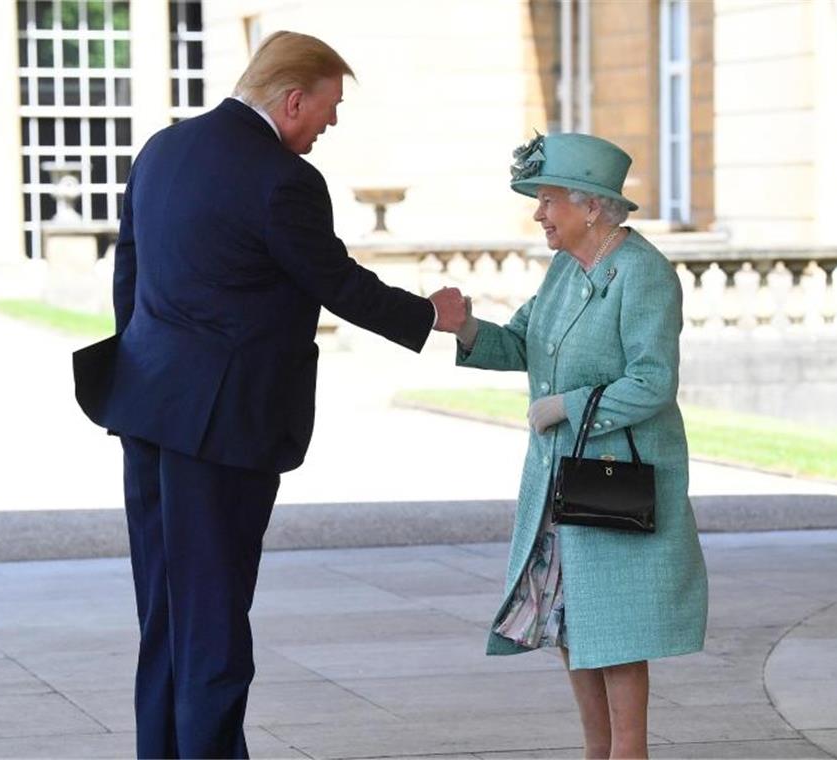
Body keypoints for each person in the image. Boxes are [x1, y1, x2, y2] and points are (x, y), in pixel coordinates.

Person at [72, 31, 467, 759]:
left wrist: (150, 370)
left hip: (147, 410)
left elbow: (128, 278)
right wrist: (428, 314)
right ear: (293, 99)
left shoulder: (162, 150)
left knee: (165, 611)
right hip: (222, 429)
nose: (332, 123)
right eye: (329, 107)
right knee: (215, 616)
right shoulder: (282, 178)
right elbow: (336, 282)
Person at [443, 132, 708, 759]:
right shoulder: (566, 270)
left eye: (548, 200)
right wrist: (465, 327)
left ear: (591, 206)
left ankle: (628, 753)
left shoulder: (643, 273)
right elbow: (519, 343)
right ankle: (598, 753)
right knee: (572, 620)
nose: (538, 214)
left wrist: (568, 406)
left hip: (618, 474)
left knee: (619, 628)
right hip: (563, 477)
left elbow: (652, 382)